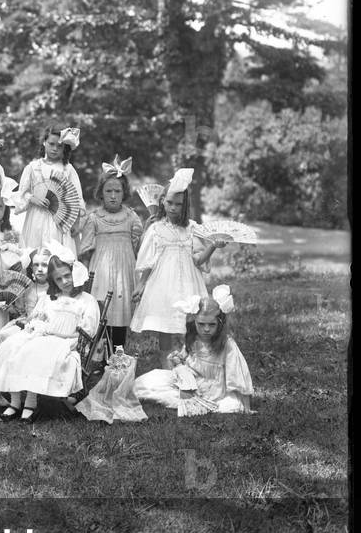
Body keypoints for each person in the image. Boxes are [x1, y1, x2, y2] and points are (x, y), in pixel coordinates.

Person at [0, 242, 100, 421]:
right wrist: (33, 324)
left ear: (74, 273)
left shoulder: (86, 300)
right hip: (43, 334)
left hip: (66, 341)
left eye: (67, 276)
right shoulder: (50, 299)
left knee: (34, 353)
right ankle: (15, 402)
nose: (65, 282)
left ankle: (30, 403)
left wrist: (62, 335)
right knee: (11, 347)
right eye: (58, 279)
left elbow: (88, 331)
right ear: (53, 281)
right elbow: (36, 318)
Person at [130, 168, 229, 360]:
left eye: (178, 204)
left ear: (185, 205)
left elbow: (199, 260)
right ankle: (166, 365)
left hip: (188, 284)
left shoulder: (192, 228)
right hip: (163, 284)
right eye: (169, 203)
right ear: (162, 202)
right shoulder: (156, 229)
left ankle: (189, 362)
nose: (173, 208)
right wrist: (142, 284)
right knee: (165, 325)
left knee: (189, 323)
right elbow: (149, 260)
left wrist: (213, 246)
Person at [134, 285, 254, 416]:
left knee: (230, 406)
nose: (206, 329)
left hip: (216, 389)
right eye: (201, 324)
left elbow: (236, 375)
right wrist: (177, 360)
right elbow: (185, 362)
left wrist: (241, 397)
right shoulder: (194, 339)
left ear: (220, 324)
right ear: (194, 322)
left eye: (212, 324)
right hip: (192, 386)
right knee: (148, 381)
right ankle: (190, 399)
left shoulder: (227, 344)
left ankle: (205, 403)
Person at [79, 156, 145, 349]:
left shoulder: (132, 217)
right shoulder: (94, 218)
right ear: (101, 192)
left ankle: (119, 356)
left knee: (120, 312)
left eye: (118, 191)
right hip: (101, 271)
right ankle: (101, 357)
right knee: (103, 313)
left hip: (124, 271)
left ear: (124, 193)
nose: (113, 195)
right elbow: (85, 251)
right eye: (109, 191)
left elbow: (138, 248)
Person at [15, 125, 85, 252]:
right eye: (51, 144)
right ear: (44, 142)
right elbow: (22, 193)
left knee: (58, 256)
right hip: (36, 218)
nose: (54, 149)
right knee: (36, 253)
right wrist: (32, 198)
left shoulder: (68, 169)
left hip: (60, 222)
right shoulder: (33, 167)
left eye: (59, 146)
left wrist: (76, 223)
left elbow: (77, 199)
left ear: (64, 147)